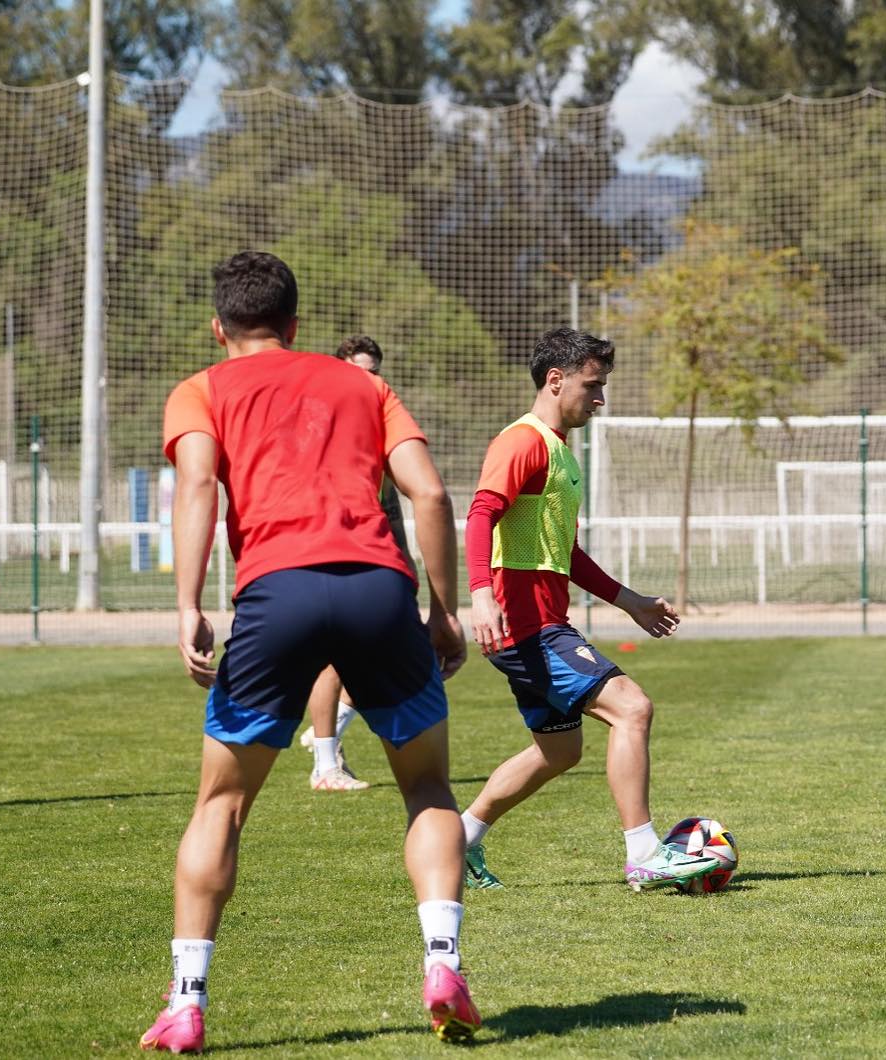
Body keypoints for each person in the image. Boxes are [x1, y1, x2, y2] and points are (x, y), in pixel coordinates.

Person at [141, 252, 479, 1053]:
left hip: (276, 594)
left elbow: (197, 487)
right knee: (427, 783)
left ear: (218, 327)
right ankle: (443, 961)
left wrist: (188, 603)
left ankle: (187, 1003)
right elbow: (428, 493)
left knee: (220, 806)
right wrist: (443, 608)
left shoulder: (201, 389)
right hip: (377, 588)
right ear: (296, 326)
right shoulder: (363, 385)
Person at [459, 327, 717, 893]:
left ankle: (459, 841)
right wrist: (480, 594)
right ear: (556, 381)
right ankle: (645, 855)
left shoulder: (559, 453)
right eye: (592, 387)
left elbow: (563, 553)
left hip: (543, 621)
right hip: (523, 624)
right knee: (633, 708)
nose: (600, 400)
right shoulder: (522, 442)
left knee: (558, 750)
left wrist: (631, 602)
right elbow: (480, 514)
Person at [298, 335, 418, 793]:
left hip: (379, 550)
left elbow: (395, 500)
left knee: (380, 653)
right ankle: (325, 764)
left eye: (373, 371)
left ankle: (327, 732)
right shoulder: (321, 423)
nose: (367, 379)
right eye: (358, 370)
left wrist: (404, 557)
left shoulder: (384, 420)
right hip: (334, 550)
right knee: (335, 657)